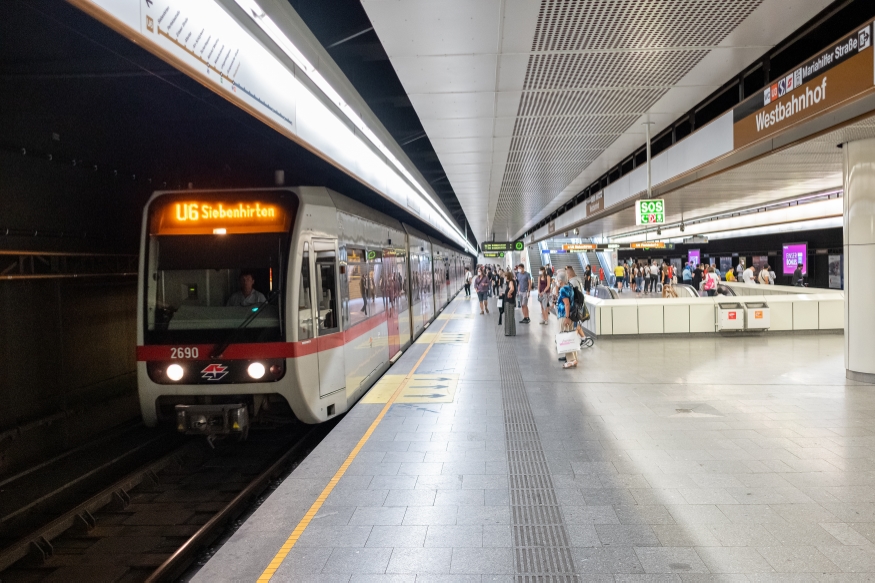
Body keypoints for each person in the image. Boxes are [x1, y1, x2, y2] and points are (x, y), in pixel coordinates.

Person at [555, 271, 579, 369]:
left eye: (557, 279)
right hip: (570, 316)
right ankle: (574, 358)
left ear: (560, 280)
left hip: (564, 316)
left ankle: (570, 360)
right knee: (570, 336)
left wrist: (567, 317)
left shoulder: (563, 289)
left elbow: (567, 304)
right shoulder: (570, 287)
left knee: (565, 338)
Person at [503, 271, 516, 336]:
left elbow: (512, 289)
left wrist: (508, 293)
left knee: (509, 316)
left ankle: (508, 332)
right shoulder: (511, 281)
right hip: (510, 301)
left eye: (505, 276)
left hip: (509, 301)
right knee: (510, 316)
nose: (504, 277)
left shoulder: (510, 282)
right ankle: (512, 331)